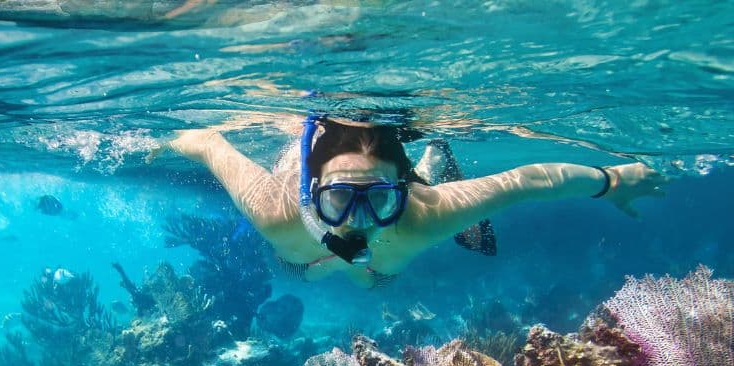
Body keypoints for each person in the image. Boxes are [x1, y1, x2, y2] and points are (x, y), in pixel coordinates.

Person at [147, 114, 667, 288]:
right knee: (307, 268)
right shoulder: (275, 210)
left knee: (373, 279)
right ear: (311, 194)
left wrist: (612, 180)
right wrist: (158, 143)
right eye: (339, 199)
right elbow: (208, 142)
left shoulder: (423, 214)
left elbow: (528, 180)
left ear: (402, 194)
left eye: (378, 201)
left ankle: (429, 163)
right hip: (303, 256)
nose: (358, 222)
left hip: (405, 202)